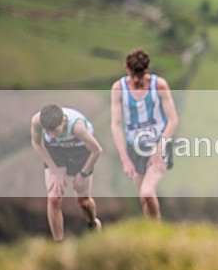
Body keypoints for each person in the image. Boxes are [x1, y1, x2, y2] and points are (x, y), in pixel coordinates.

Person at [110, 48, 179, 220]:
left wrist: (159, 149)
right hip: (134, 147)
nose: (136, 79)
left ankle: (157, 234)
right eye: (133, 74)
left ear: (147, 70)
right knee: (144, 198)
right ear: (126, 68)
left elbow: (173, 120)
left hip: (159, 144)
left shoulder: (159, 85)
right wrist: (124, 158)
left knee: (147, 193)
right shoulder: (119, 89)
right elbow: (115, 124)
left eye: (140, 75)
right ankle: (153, 235)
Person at [30, 104, 103, 241]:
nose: (51, 135)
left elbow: (97, 150)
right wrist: (55, 171)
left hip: (80, 151)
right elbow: (37, 144)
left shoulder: (77, 128)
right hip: (56, 151)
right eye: (48, 131)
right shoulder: (37, 121)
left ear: (63, 122)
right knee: (53, 199)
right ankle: (59, 242)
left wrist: (83, 174)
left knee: (83, 202)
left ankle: (92, 223)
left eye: (54, 131)